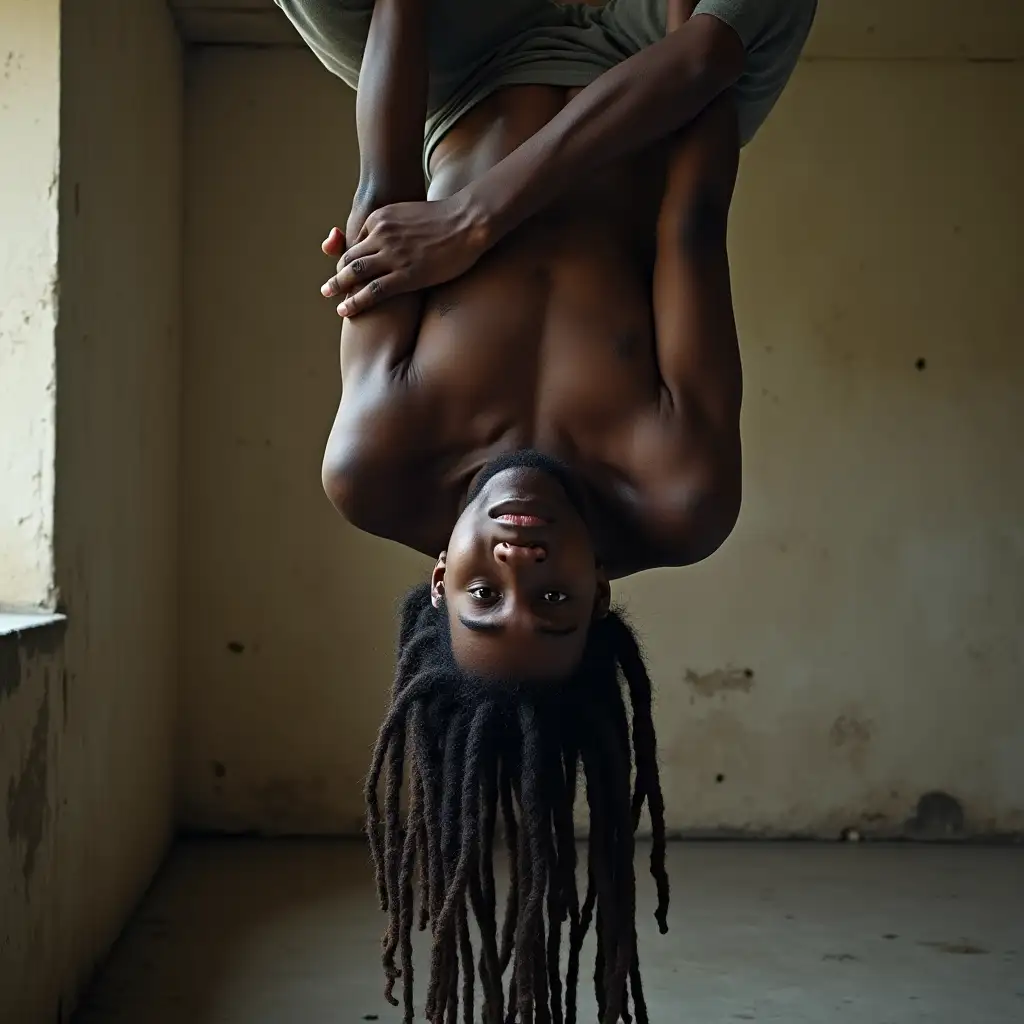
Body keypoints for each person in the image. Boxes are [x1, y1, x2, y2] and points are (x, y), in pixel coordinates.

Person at [274, 1, 816, 1020]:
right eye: (555, 597)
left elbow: (384, 175)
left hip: (463, 66)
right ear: (601, 588)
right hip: (640, 66)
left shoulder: (375, 464)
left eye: (486, 593)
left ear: (439, 574)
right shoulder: (678, 488)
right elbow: (693, 204)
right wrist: (685, 39)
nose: (519, 560)